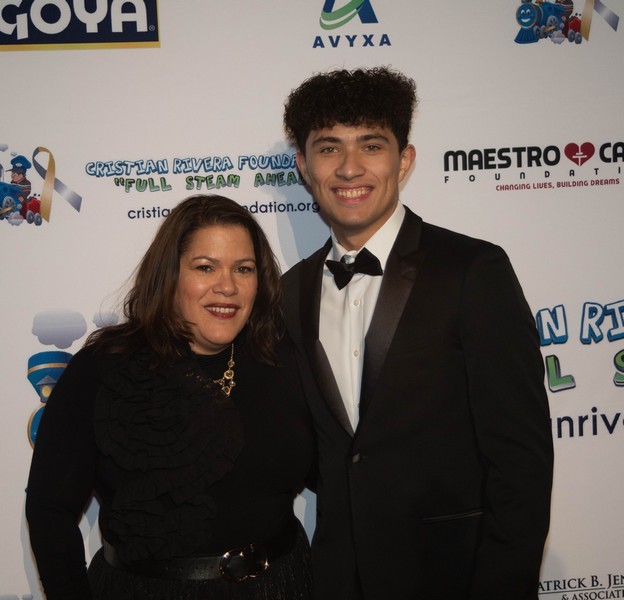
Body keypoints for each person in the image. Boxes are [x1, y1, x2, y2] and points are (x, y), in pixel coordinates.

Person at [282, 66, 554, 600]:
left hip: (454, 577)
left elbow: (521, 458)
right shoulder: (291, 291)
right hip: (339, 579)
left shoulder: (472, 270)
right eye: (329, 148)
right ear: (304, 166)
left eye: (371, 145)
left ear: (404, 160)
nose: (350, 167)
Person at [26, 194, 314, 600]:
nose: (227, 286)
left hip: (279, 587)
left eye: (243, 269)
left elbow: (339, 473)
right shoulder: (103, 369)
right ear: (170, 275)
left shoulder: (284, 361)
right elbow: (50, 510)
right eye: (205, 267)